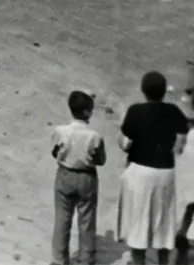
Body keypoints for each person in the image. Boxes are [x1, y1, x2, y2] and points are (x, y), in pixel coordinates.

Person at [117, 71, 188, 263]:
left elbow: (125, 144)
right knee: (163, 226)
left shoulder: (135, 111)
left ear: (143, 90)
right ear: (164, 91)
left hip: (140, 171)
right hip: (165, 172)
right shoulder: (174, 111)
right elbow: (180, 145)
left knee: (138, 225)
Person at [50, 89, 106, 265]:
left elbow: (54, 152)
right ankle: (86, 259)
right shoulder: (94, 136)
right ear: (87, 112)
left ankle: (59, 260)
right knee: (87, 221)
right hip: (86, 178)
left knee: (62, 219)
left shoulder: (60, 131)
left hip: (65, 175)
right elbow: (101, 160)